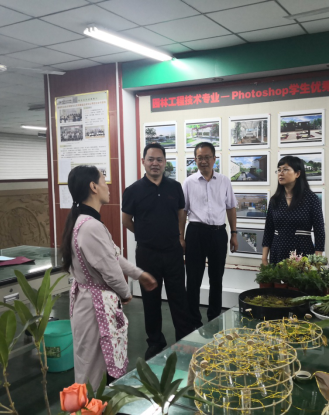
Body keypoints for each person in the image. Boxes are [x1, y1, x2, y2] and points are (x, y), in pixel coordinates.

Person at [60, 165, 157, 390]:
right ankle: (93, 404)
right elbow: (111, 270)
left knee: (93, 361)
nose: (108, 187)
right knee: (94, 369)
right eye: (104, 181)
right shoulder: (90, 226)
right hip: (94, 307)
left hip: (89, 302)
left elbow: (111, 256)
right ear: (93, 187)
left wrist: (139, 274)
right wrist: (125, 293)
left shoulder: (84, 221)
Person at [122, 143, 194, 360]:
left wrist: (180, 236)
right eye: (151, 159)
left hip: (173, 251)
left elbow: (181, 213)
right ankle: (155, 342)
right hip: (147, 254)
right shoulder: (133, 190)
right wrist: (144, 233)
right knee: (150, 300)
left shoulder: (175, 187)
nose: (155, 163)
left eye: (159, 159)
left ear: (165, 162)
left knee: (179, 298)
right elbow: (126, 220)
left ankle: (184, 339)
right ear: (143, 162)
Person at [182, 142, 238, 329]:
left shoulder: (224, 181)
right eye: (200, 158)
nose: (203, 161)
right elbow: (183, 211)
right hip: (195, 233)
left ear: (214, 159)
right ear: (195, 160)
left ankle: (214, 317)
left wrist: (234, 234)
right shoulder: (189, 182)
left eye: (207, 157)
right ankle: (193, 320)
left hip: (218, 233)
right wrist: (180, 237)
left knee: (216, 278)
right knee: (193, 279)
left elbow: (231, 207)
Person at [262, 156, 325, 265]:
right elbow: (268, 230)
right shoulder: (275, 200)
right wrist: (264, 258)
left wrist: (317, 260)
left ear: (297, 173)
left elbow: (319, 231)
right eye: (279, 170)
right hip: (278, 251)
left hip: (302, 252)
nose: (281, 173)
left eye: (285, 169)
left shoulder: (311, 199)